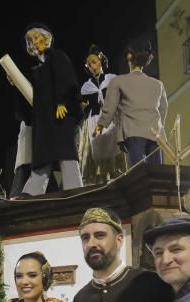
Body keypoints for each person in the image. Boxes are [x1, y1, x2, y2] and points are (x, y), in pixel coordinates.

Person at [18, 23, 84, 196]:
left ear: (46, 38)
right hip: (45, 122)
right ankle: (31, 194)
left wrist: (62, 102)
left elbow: (66, 78)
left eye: (37, 37)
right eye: (31, 40)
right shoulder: (37, 70)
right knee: (42, 160)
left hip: (60, 117)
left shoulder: (57, 57)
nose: (34, 42)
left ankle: (75, 193)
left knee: (66, 157)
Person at [94, 40, 168, 168]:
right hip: (156, 134)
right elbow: (163, 109)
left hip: (133, 131)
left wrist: (101, 125)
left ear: (129, 56)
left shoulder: (118, 82)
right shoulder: (158, 84)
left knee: (138, 173)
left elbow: (109, 107)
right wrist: (158, 125)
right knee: (157, 174)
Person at [78, 45, 121, 184]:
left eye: (94, 62)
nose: (92, 66)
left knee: (113, 152)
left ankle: (115, 179)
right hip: (93, 122)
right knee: (96, 155)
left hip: (110, 120)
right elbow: (82, 107)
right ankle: (99, 183)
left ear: (101, 61)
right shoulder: (86, 87)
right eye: (89, 64)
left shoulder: (112, 79)